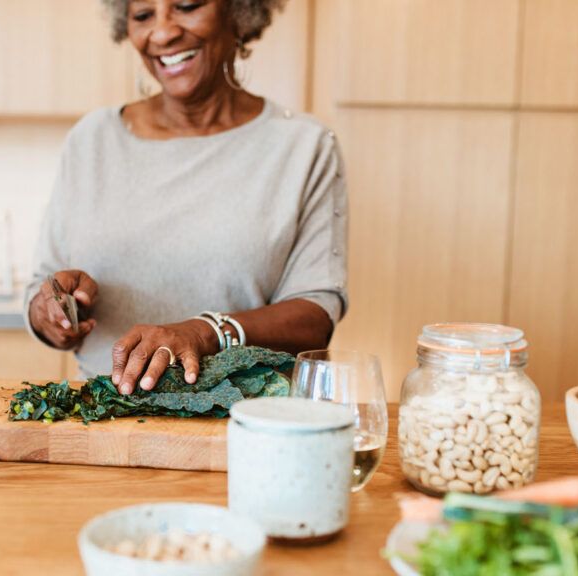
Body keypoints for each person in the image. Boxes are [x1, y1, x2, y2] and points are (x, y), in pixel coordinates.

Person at [25, 0, 347, 396]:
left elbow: (315, 316)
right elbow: (42, 287)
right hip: (104, 418)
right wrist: (53, 312)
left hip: (246, 420)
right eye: (143, 16)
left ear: (238, 12)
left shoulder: (303, 146)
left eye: (187, 6)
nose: (161, 33)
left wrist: (206, 331)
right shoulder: (92, 139)